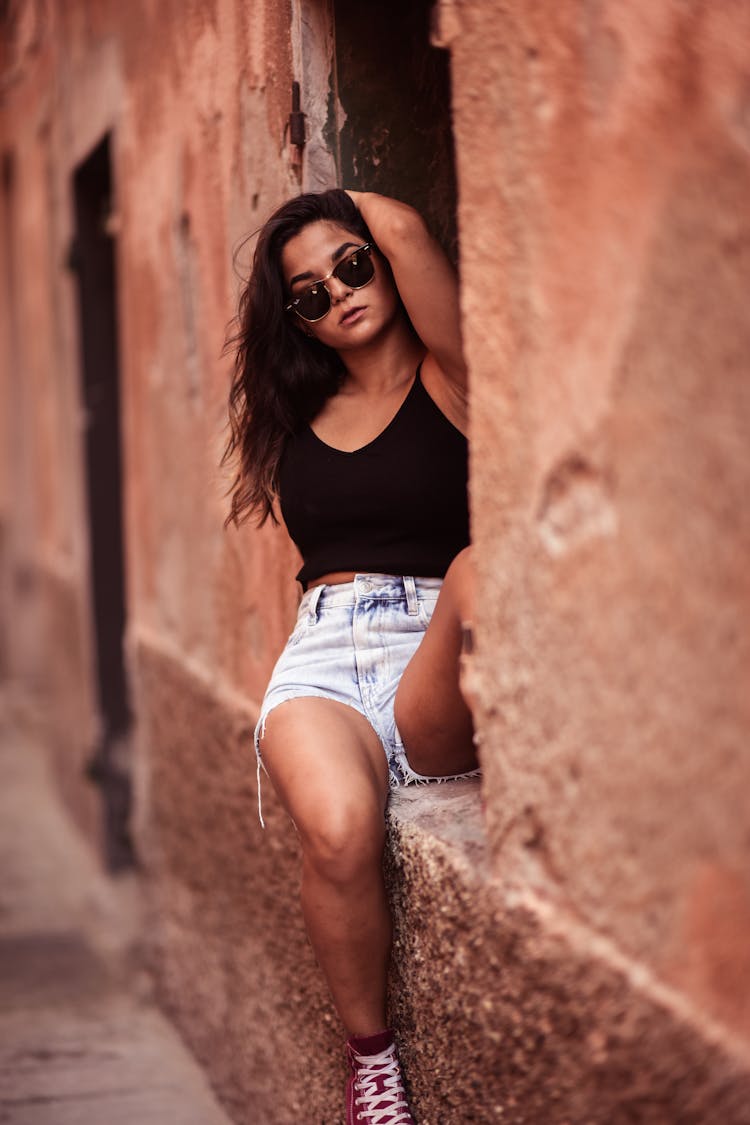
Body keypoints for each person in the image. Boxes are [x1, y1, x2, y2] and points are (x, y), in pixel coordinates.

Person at [222, 188, 479, 1125]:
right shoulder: (299, 408)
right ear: (294, 320)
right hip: (323, 655)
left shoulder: (454, 379)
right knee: (334, 825)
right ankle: (371, 1065)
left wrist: (330, 208)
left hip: (433, 654)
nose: (337, 293)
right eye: (307, 295)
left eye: (351, 265)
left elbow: (407, 228)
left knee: (480, 568)